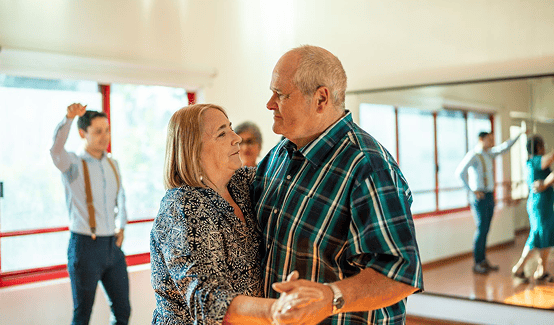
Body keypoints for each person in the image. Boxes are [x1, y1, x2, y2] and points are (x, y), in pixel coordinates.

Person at [252, 45, 423, 325]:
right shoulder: (276, 157)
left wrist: (330, 298)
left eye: (281, 94)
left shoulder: (368, 166)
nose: (270, 104)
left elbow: (401, 274)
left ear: (321, 98)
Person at [150, 104, 321, 324]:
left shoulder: (240, 184)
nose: (236, 138)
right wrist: (276, 310)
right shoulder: (182, 205)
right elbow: (208, 300)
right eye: (222, 133)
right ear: (193, 148)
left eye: (231, 128)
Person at [50, 103, 130, 325]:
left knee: (123, 310)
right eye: (98, 131)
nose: (105, 136)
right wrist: (68, 118)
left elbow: (121, 197)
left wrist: (122, 226)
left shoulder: (113, 163)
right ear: (82, 133)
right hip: (85, 246)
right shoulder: (73, 163)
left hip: (112, 247)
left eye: (107, 130)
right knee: (83, 314)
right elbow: (55, 150)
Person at [456, 130, 524, 275]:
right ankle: (477, 263)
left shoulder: (489, 154)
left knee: (486, 229)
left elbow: (504, 148)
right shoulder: (474, 155)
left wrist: (519, 134)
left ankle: (483, 260)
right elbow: (460, 173)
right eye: (489, 139)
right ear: (481, 139)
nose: (492, 142)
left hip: (489, 195)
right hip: (479, 197)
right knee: (481, 229)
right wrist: (472, 190)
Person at [511, 135, 554, 282]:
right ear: (538, 147)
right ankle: (519, 267)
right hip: (539, 205)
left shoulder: (532, 162)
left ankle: (542, 271)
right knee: (536, 236)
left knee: (546, 236)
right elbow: (549, 159)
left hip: (544, 204)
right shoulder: (535, 161)